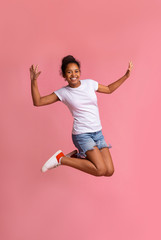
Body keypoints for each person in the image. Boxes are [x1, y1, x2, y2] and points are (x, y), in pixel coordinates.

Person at [30, 55, 133, 177]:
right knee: (100, 170)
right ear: (64, 75)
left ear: (80, 72)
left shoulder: (90, 83)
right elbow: (38, 102)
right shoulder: (63, 92)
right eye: (69, 72)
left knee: (109, 171)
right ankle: (62, 159)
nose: (73, 74)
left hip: (97, 133)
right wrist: (33, 80)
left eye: (76, 71)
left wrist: (126, 76)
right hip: (82, 134)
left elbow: (109, 89)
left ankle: (74, 157)